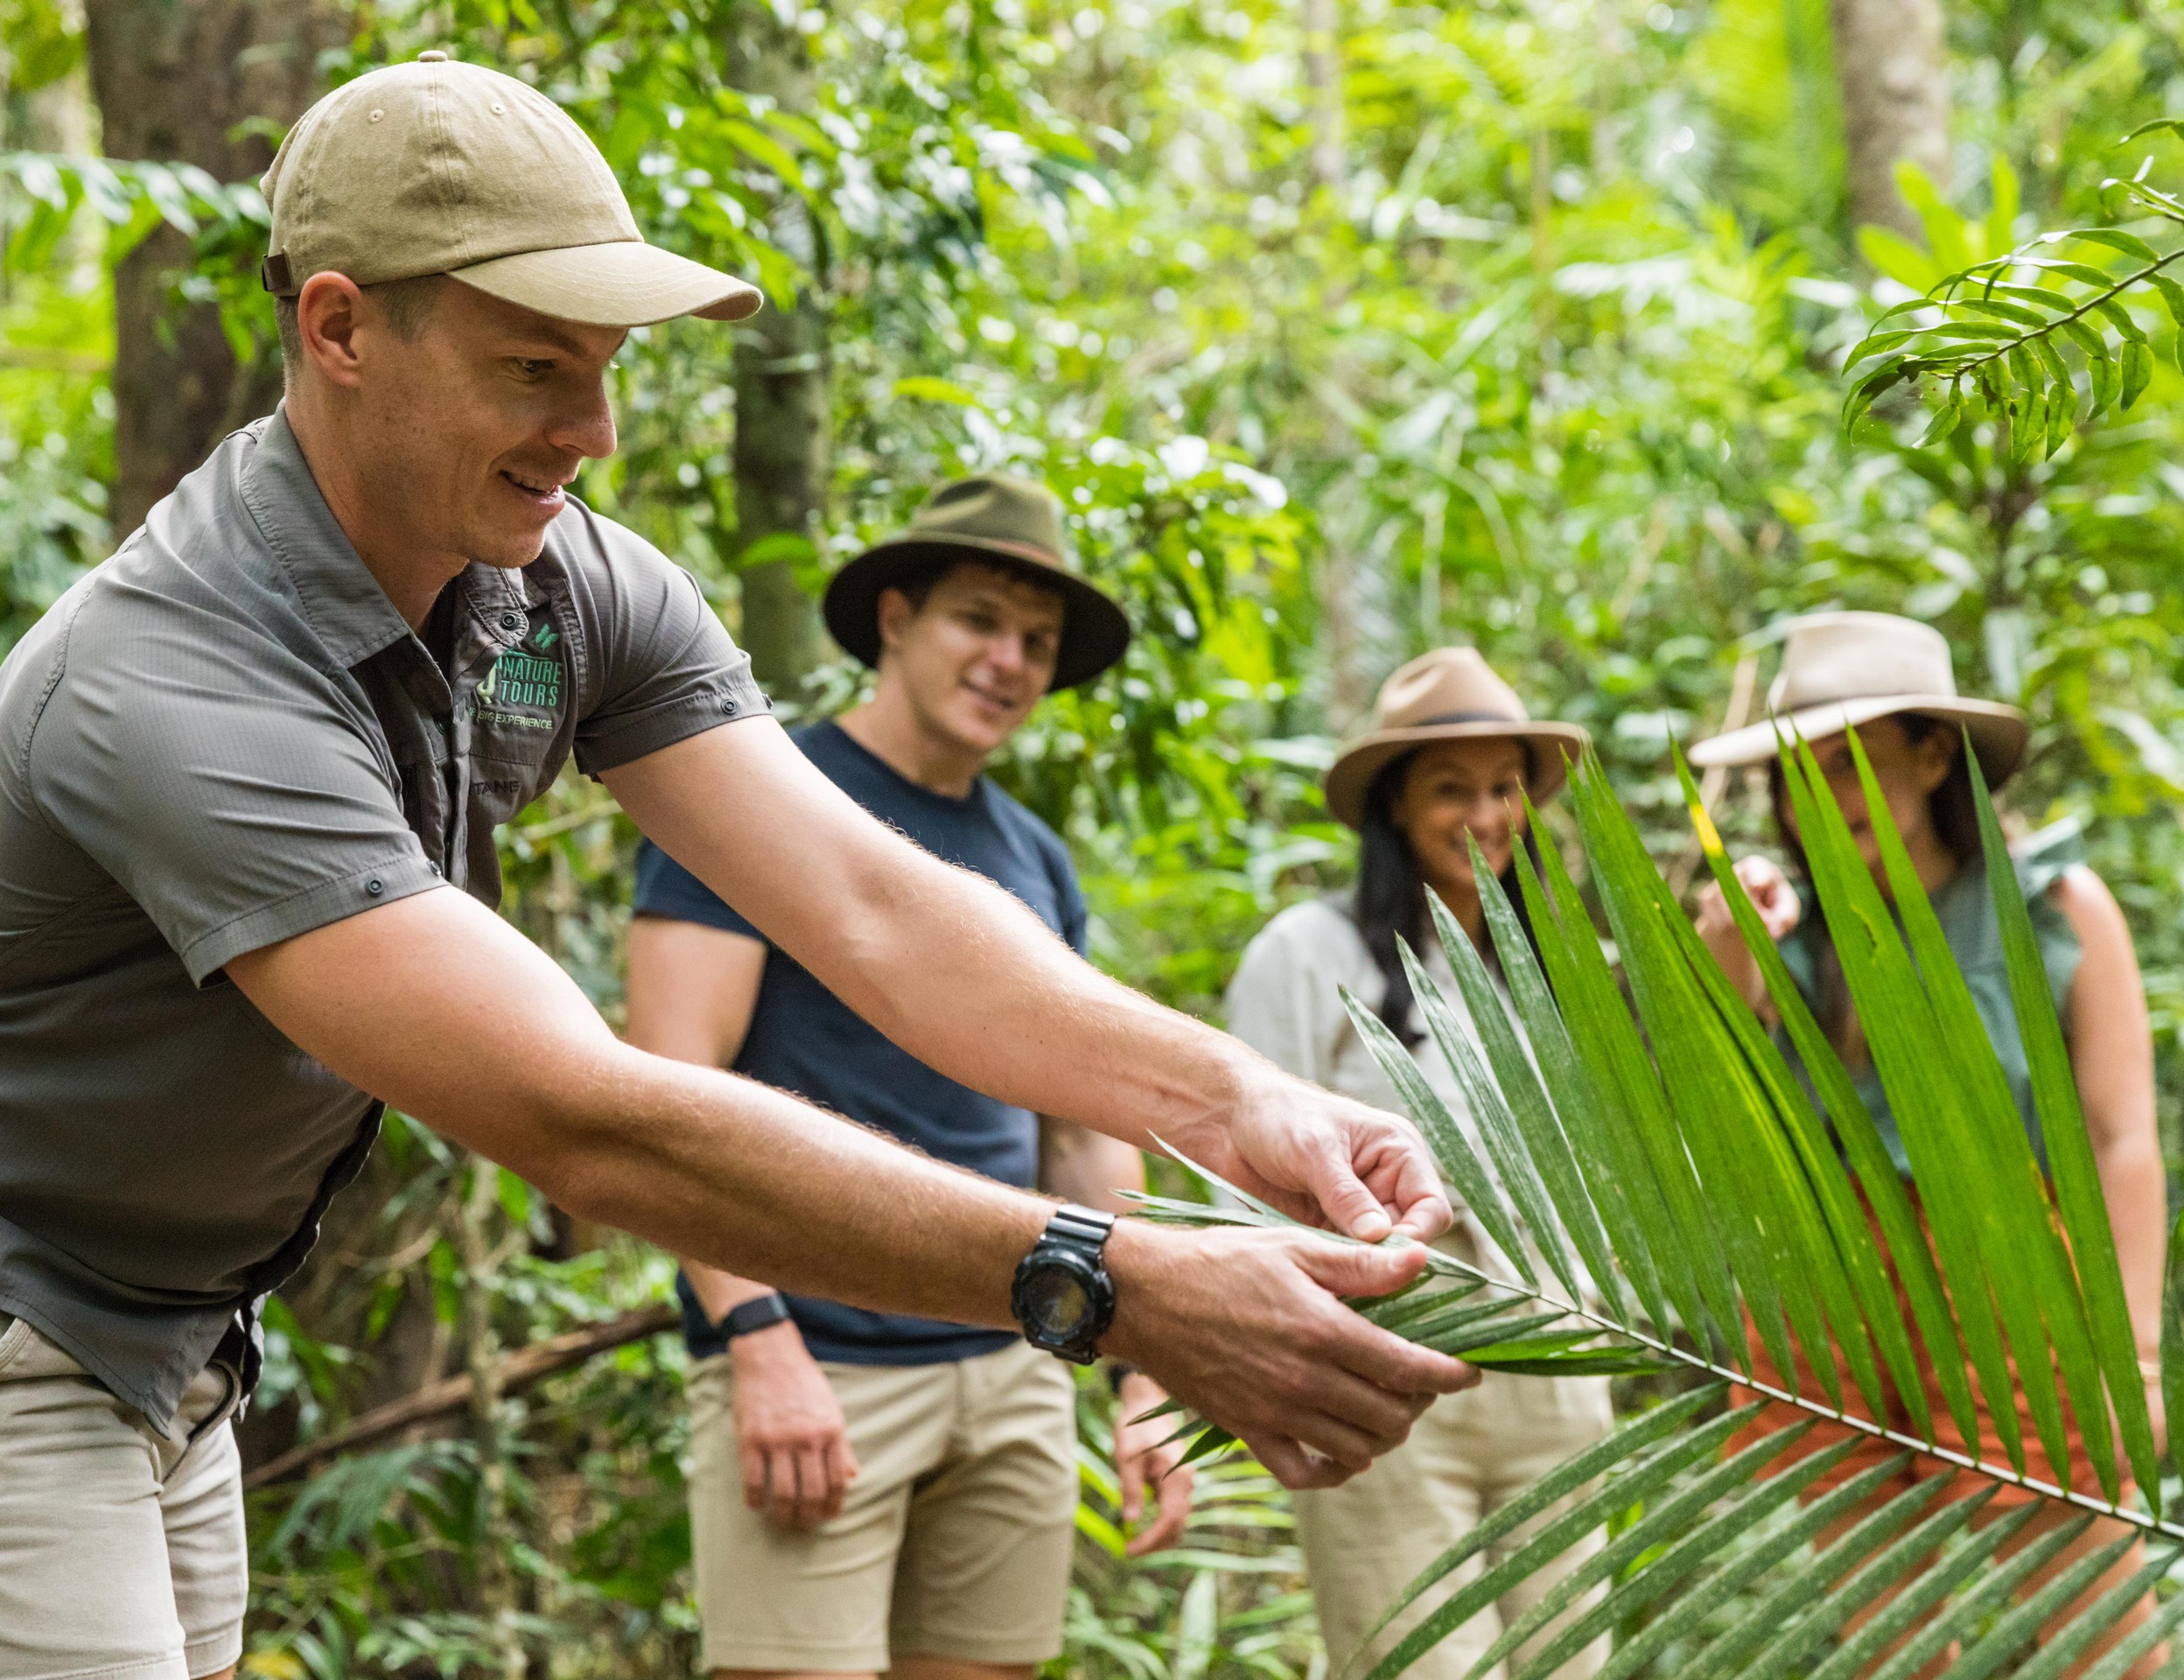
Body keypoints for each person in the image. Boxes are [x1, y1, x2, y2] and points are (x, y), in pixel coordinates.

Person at [0, 56, 1478, 1680]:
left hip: (174, 1347)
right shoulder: (175, 679)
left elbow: (875, 908)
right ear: (341, 330)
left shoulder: (561, 589)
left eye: (612, 369)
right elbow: (580, 1117)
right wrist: (1111, 1286)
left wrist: (1237, 1106)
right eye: (537, 368)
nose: (596, 432)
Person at [627, 473, 1192, 1679]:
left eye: (1037, 642)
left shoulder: (1032, 856)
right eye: (978, 620)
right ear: (896, 618)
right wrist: (756, 1340)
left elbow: (1083, 1129)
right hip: (813, 1362)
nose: (1010, 660)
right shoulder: (764, 804)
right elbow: (670, 1086)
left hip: (1013, 1362)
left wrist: (1141, 1367)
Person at [1690, 611, 2166, 1679]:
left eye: (1851, 764)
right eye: (1796, 774)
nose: (1822, 800)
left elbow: (2119, 1135)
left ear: (1932, 753)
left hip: (2012, 1277)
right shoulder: (1785, 923)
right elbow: (1708, 1111)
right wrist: (1730, 949)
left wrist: (2133, 1352)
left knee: (2092, 1614)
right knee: (1882, 1633)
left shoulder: (2049, 906)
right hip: (1833, 1294)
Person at [1226, 648, 1616, 1680]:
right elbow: (1240, 1187)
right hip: (1381, 1372)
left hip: (1555, 1363)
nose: (1486, 815)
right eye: (1453, 789)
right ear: (1394, 804)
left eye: (1505, 787)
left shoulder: (1552, 968)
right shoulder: (1305, 954)